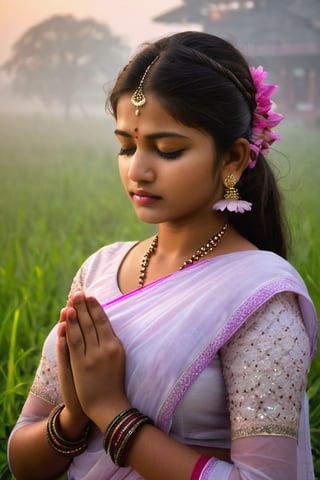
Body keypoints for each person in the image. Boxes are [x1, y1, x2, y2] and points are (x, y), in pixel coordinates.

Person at [8, 31, 318, 480]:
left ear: (232, 159)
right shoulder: (99, 270)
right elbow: (23, 461)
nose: (137, 170)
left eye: (168, 149)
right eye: (126, 146)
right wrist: (74, 417)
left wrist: (113, 414)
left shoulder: (261, 298)